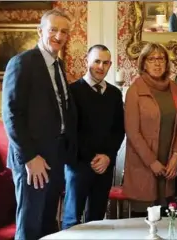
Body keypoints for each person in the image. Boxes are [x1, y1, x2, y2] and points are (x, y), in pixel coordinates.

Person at [1, 9, 77, 240]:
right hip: (32, 160)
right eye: (53, 29)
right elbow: (11, 114)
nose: (58, 35)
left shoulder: (59, 65)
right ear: (40, 30)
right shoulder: (22, 63)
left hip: (55, 157)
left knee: (47, 224)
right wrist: (30, 157)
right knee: (29, 226)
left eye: (64, 31)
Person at [61, 45, 125, 229]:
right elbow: (70, 130)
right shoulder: (72, 91)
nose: (100, 66)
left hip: (104, 165)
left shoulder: (114, 93)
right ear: (86, 61)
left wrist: (108, 156)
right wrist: (91, 158)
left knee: (96, 219)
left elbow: (118, 130)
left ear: (110, 65)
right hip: (78, 164)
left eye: (105, 63)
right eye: (96, 61)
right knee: (72, 218)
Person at [123, 43, 177, 212]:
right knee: (142, 223)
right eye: (152, 59)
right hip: (144, 165)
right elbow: (132, 132)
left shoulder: (174, 89)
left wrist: (176, 156)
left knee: (166, 221)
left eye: (161, 59)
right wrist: (152, 162)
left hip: (168, 165)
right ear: (143, 63)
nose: (157, 63)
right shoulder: (135, 90)